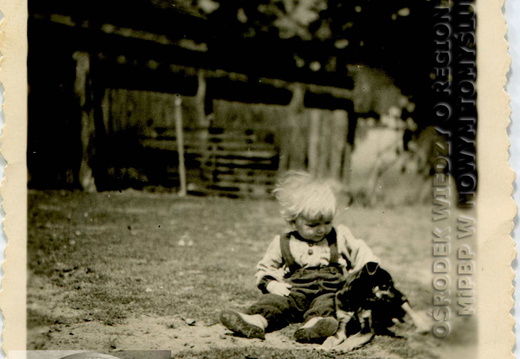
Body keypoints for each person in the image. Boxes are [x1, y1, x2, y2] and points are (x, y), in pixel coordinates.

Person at [219, 171, 384, 343]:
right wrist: (272, 284)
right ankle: (255, 321)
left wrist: (370, 269)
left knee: (329, 304)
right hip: (294, 292)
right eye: (313, 225)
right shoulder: (283, 242)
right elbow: (266, 268)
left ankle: (315, 326)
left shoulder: (339, 237)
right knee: (273, 302)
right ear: (292, 222)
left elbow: (361, 252)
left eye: (327, 222)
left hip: (329, 291)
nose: (321, 229)